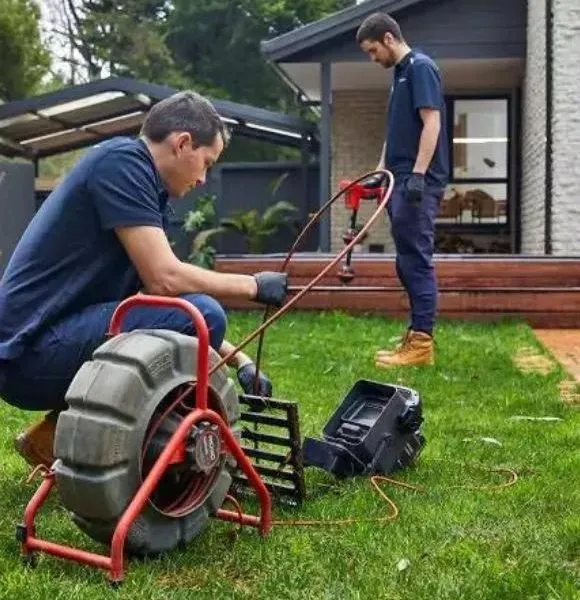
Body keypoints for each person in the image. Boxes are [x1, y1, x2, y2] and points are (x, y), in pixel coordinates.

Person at [0, 90, 288, 467]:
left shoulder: (141, 186)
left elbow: (163, 304)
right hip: (28, 355)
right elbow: (166, 279)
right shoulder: (121, 163)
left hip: (43, 347)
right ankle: (71, 439)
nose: (203, 178)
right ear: (183, 143)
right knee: (207, 314)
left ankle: (52, 437)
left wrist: (242, 362)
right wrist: (253, 285)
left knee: (199, 315)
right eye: (206, 162)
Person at [356, 12, 449, 368]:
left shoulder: (420, 67)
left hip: (416, 183)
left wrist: (418, 176)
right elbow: (396, 133)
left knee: (416, 260)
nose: (372, 58)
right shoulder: (401, 73)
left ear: (388, 38)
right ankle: (415, 335)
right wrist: (381, 172)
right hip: (400, 178)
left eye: (372, 50)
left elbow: (432, 123)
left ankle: (422, 344)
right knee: (405, 261)